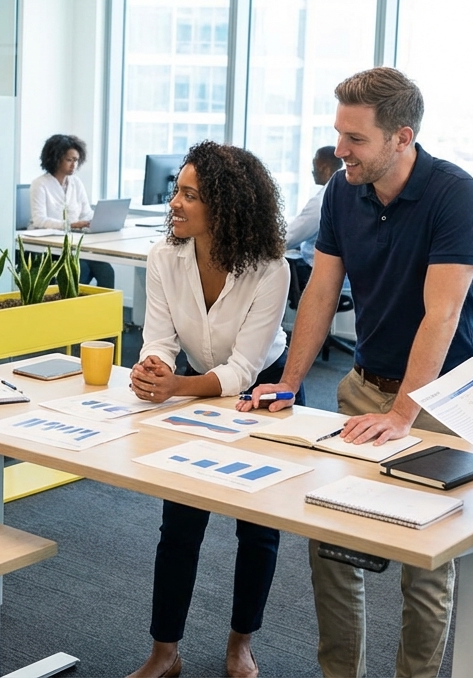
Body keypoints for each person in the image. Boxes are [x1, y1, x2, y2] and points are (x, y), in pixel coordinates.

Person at [241, 67, 473, 678]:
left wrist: (403, 413)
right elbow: (321, 291)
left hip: (440, 399)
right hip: (361, 387)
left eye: (356, 139)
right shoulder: (341, 193)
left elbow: (443, 311)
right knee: (334, 543)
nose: (340, 152)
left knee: (424, 557)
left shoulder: (453, 193)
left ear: (402, 138)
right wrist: (291, 381)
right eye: (338, 135)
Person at [126, 141, 292, 678]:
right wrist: (153, 370)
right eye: (177, 189)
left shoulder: (270, 267)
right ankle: (164, 651)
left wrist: (175, 387)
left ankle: (241, 641)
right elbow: (159, 337)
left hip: (263, 392)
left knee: (258, 528)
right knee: (180, 523)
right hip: (191, 384)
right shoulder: (163, 256)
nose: (175, 202)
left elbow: (244, 368)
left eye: (190, 195)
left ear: (224, 207)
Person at [28, 133, 115, 288]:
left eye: (76, 160)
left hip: (76, 244)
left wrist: (98, 221)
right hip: (52, 247)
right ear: (55, 159)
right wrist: (71, 225)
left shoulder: (75, 182)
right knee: (81, 269)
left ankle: (104, 312)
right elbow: (39, 220)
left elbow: (86, 213)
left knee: (106, 270)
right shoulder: (40, 184)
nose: (73, 165)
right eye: (69, 160)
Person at [285, 146, 342, 308]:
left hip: (316, 270)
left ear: (324, 168)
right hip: (338, 272)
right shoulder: (340, 192)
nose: (312, 171)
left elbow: (288, 238)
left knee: (272, 265)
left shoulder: (321, 201)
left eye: (314, 166)